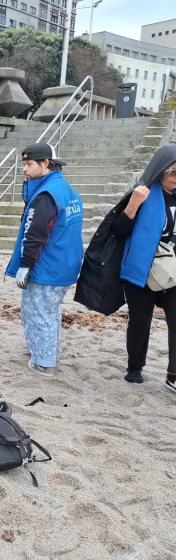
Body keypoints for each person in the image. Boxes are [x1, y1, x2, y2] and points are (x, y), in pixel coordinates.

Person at [5, 143, 83, 377]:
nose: (24, 170)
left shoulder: (46, 195)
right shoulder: (64, 188)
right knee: (50, 311)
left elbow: (36, 232)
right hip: (65, 262)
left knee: (38, 312)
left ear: (45, 163)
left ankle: (44, 362)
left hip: (48, 264)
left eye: (29, 164)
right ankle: (49, 350)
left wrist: (25, 265)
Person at [109, 145, 176, 388]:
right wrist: (134, 204)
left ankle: (173, 375)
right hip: (141, 269)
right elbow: (118, 231)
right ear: (160, 171)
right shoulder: (143, 193)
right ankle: (135, 366)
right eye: (174, 173)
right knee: (140, 319)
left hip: (173, 270)